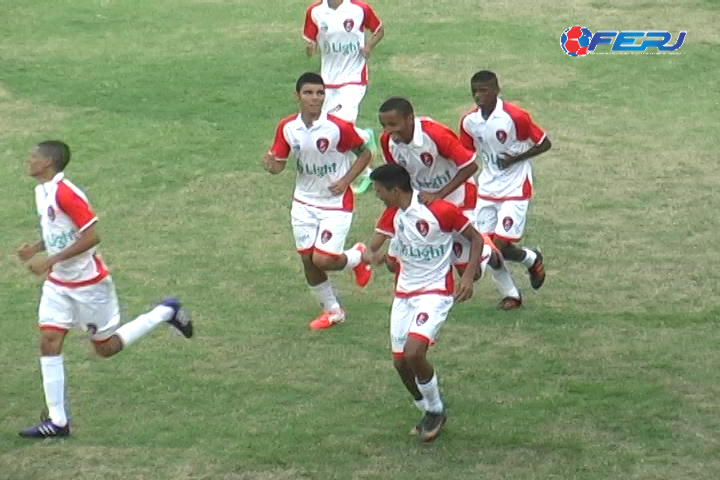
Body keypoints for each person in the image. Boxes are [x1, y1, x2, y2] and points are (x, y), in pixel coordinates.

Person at [16, 140, 192, 438]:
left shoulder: (66, 193)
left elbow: (91, 236)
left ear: (47, 163)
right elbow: (60, 230)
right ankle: (58, 422)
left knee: (106, 348)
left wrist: (50, 261)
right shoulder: (41, 191)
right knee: (48, 340)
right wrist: (37, 246)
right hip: (59, 283)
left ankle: (165, 311)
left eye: (33, 157)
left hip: (89, 285)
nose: (28, 161)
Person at [361, 164, 489, 442]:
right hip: (404, 294)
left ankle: (436, 410)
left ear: (395, 190)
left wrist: (467, 276)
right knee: (400, 364)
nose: (378, 196)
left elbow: (475, 238)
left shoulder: (440, 210)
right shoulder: (391, 215)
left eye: (380, 191)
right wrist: (377, 257)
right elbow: (376, 249)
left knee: (414, 353)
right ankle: (426, 408)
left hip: (435, 292)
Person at [378, 97, 521, 309]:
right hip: (423, 202)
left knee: (472, 272)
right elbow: (396, 177)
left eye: (393, 124)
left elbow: (470, 166)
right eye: (384, 125)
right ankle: (412, 300)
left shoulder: (434, 134)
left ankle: (489, 253)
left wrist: (440, 194)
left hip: (459, 198)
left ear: (409, 119)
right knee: (393, 262)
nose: (389, 131)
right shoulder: (387, 142)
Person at [263, 72, 373, 330]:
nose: (315, 98)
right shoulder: (287, 127)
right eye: (309, 93)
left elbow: (365, 154)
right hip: (303, 202)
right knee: (307, 260)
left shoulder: (338, 127)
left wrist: (346, 180)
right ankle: (333, 310)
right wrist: (271, 166)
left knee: (323, 260)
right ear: (297, 96)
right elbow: (278, 164)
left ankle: (357, 256)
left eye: (320, 93)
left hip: (335, 203)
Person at [459, 70, 551, 299]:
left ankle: (530, 258)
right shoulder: (469, 121)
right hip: (488, 188)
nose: (478, 96)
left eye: (483, 90)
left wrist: (514, 159)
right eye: (474, 92)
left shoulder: (515, 116)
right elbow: (465, 154)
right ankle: (511, 293)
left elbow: (544, 143)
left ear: (496, 90)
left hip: (515, 187)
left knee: (498, 243)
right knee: (485, 246)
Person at [302, 0, 385, 193]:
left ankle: (365, 174)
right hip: (328, 81)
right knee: (329, 126)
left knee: (342, 125)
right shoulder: (315, 11)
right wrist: (310, 47)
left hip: (354, 78)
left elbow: (379, 29)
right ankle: (363, 137)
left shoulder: (359, 8)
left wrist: (369, 46)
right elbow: (310, 39)